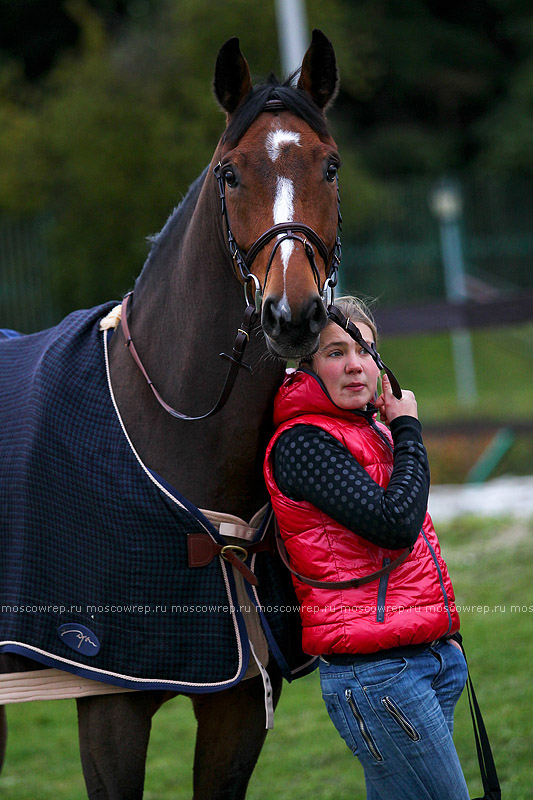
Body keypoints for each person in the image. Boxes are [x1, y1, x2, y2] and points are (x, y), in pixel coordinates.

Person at [264, 295, 469, 800]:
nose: (356, 365)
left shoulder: (368, 429)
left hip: (426, 658)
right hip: (379, 677)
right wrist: (408, 430)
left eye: (366, 351)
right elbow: (395, 524)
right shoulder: (303, 441)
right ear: (307, 368)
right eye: (336, 352)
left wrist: (446, 636)